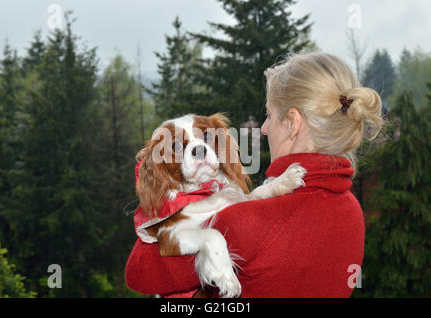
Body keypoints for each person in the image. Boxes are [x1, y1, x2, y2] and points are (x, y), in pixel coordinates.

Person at [125, 52, 385, 297]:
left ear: (293, 123)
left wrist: (160, 196)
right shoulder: (352, 211)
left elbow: (137, 273)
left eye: (269, 115)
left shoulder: (244, 223)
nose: (263, 128)